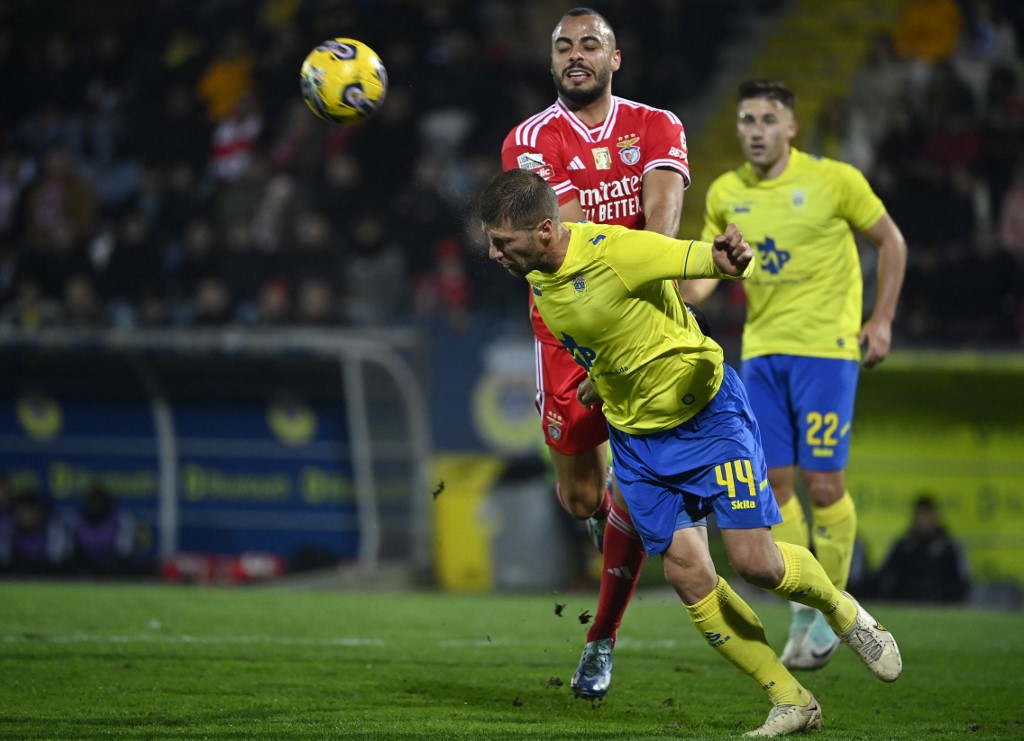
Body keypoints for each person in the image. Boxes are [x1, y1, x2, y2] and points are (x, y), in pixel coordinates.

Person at [478, 168, 902, 737]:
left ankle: (844, 612)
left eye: (502, 242)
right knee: (688, 574)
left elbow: (701, 259)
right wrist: (601, 379)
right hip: (638, 443)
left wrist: (728, 258)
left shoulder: (617, 251)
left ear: (546, 231)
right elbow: (610, 335)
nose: (492, 253)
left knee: (756, 564)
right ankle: (791, 699)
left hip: (707, 420)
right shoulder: (539, 281)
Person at [686, 79, 909, 671]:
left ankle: (832, 612)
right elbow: (709, 275)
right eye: (746, 120)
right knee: (775, 485)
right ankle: (808, 608)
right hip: (762, 353)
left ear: (791, 127)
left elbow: (892, 242)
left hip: (826, 351)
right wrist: (680, 288)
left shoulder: (834, 180)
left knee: (825, 485)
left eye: (767, 119)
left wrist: (881, 320)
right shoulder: (726, 191)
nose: (756, 131)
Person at [500, 7, 690, 699]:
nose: (575, 54)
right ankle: (610, 517)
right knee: (582, 495)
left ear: (615, 58)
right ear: (551, 62)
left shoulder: (657, 125)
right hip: (567, 329)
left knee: (635, 494)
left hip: (642, 327)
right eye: (563, 47)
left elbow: (661, 231)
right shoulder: (528, 140)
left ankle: (600, 637)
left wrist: (646, 299)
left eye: (590, 44)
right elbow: (570, 243)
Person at [874, 494, 971, 603]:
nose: (924, 520)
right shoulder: (903, 545)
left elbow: (963, 581)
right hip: (906, 604)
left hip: (941, 605)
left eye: (927, 514)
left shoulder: (950, 547)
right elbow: (885, 575)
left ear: (936, 517)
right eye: (921, 514)